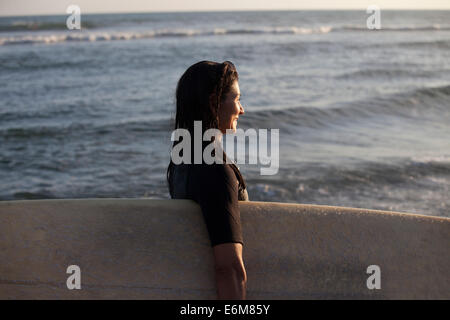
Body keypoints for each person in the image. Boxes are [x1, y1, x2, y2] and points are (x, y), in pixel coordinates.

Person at [167, 60, 248, 299]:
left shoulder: (181, 163)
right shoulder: (214, 170)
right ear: (214, 101)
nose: (241, 109)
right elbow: (229, 268)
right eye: (236, 99)